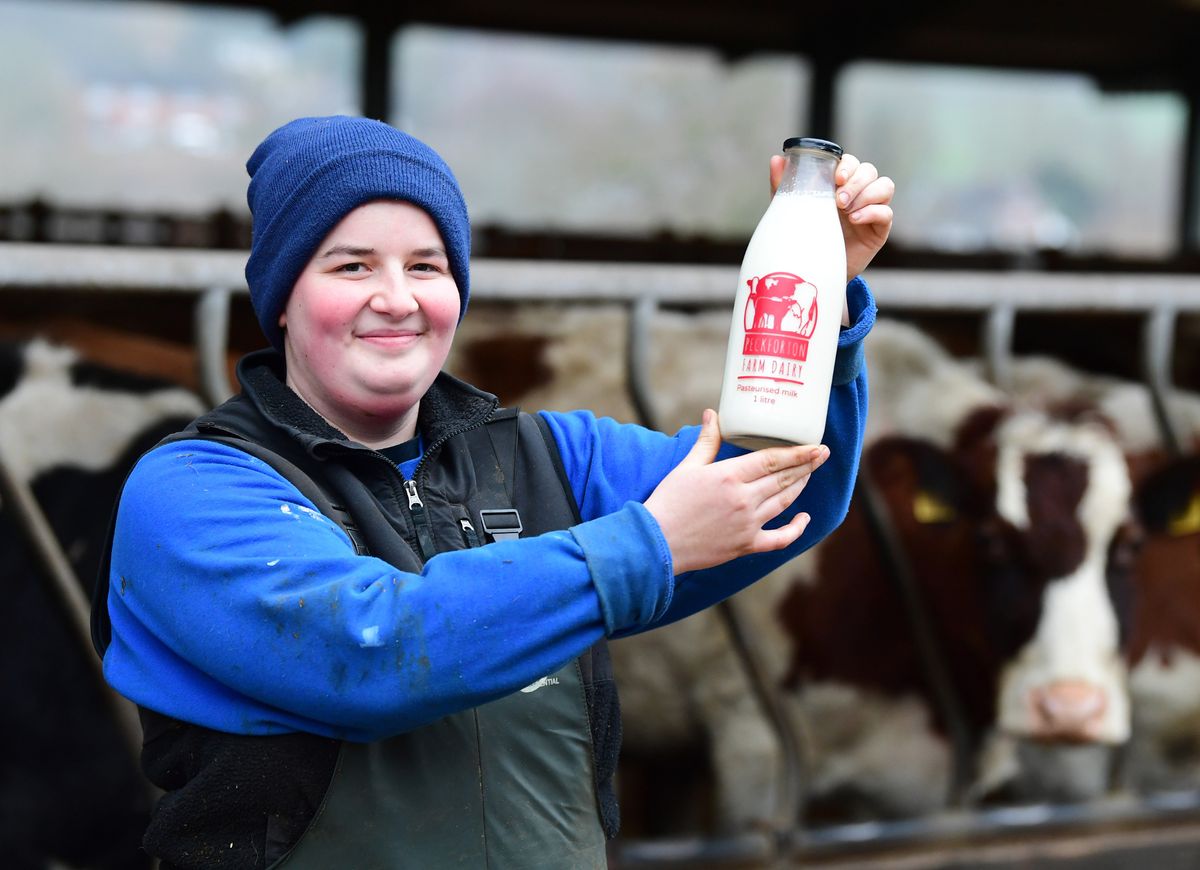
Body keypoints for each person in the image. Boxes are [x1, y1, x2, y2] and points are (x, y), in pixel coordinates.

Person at [93, 115, 894, 869]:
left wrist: (823, 294)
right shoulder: (194, 490)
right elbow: (371, 652)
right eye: (351, 265)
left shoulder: (551, 459)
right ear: (283, 294)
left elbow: (789, 486)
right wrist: (643, 548)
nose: (397, 298)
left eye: (426, 266)